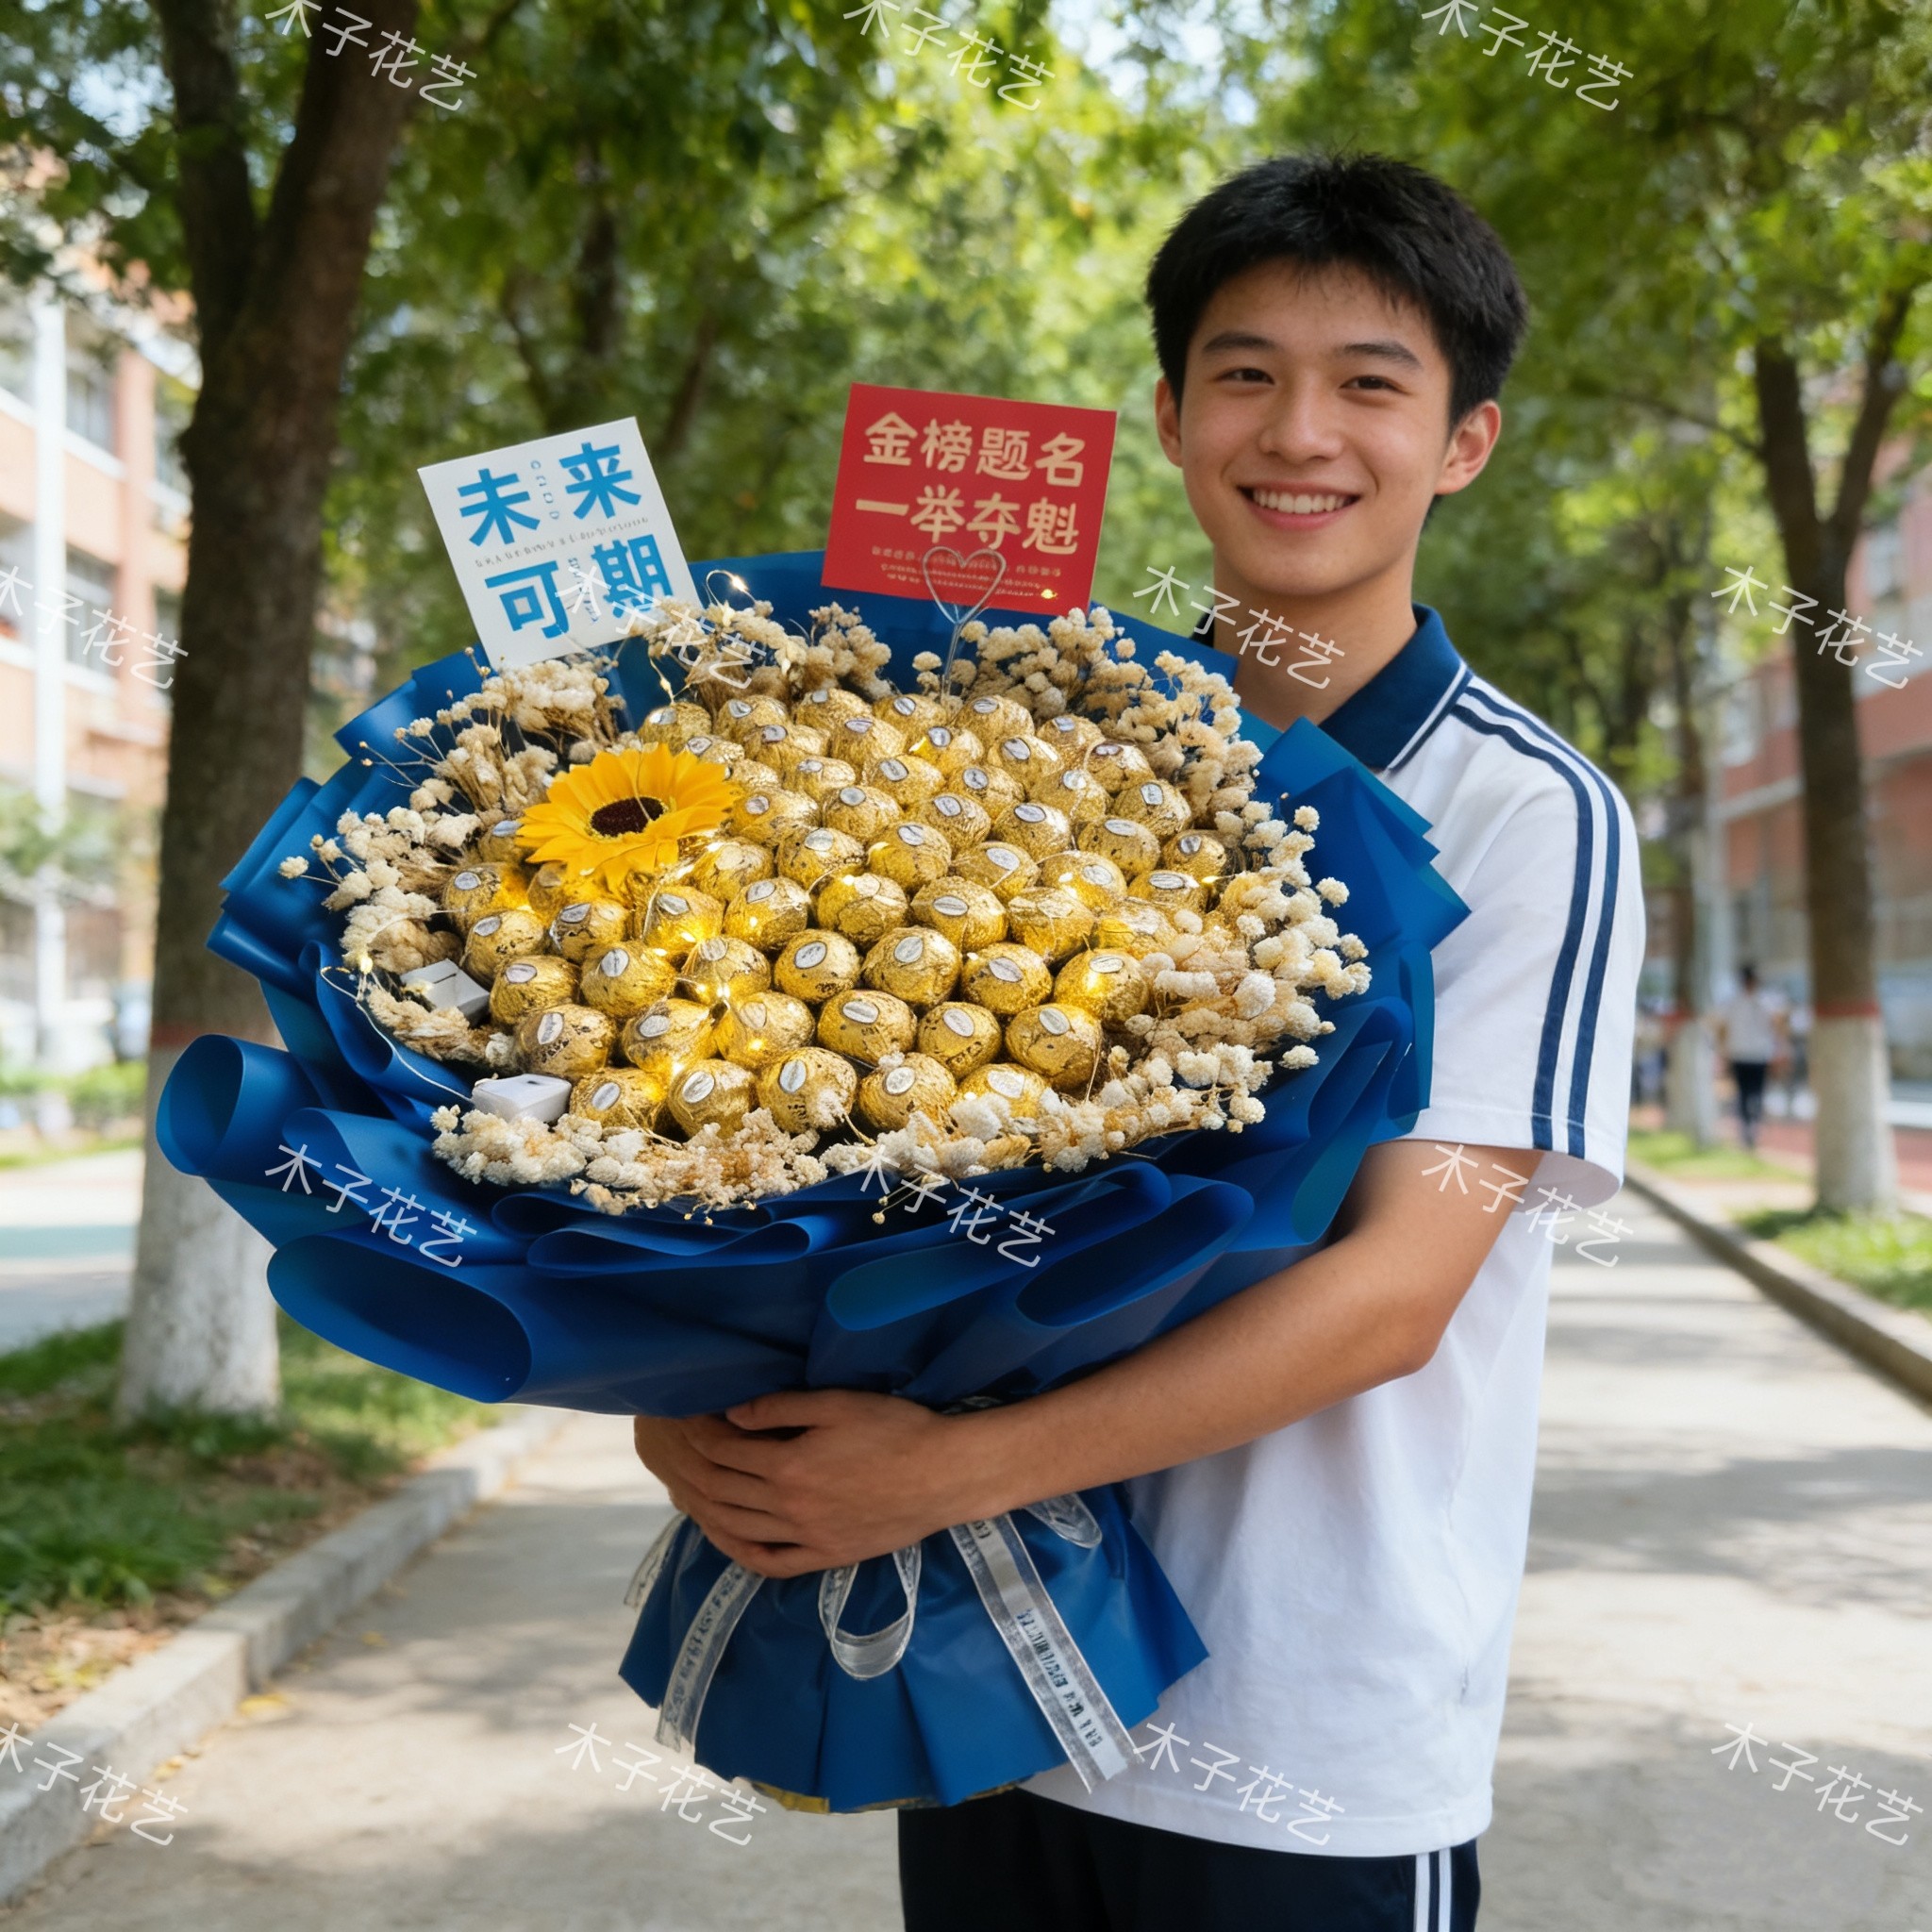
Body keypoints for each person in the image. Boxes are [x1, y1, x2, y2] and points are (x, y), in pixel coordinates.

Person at [632, 152, 1644, 1932]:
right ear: (1170, 418)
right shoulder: (1031, 747)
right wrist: (697, 1395)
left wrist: (933, 1474)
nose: (1299, 433)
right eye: (1245, 374)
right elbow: (828, 1122)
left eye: (1370, 384)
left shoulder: (1523, 810)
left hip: (1300, 1733)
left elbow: (1394, 1294)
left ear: (1464, 441)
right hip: (990, 1685)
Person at [1714, 964, 1784, 1148]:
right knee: (1744, 1092)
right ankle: (1747, 1126)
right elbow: (1722, 1028)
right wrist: (1723, 1050)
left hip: (1760, 1053)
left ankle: (1753, 1124)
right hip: (1740, 1053)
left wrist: (1779, 1049)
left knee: (1756, 1092)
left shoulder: (1765, 1002)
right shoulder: (1733, 1003)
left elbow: (1777, 1025)